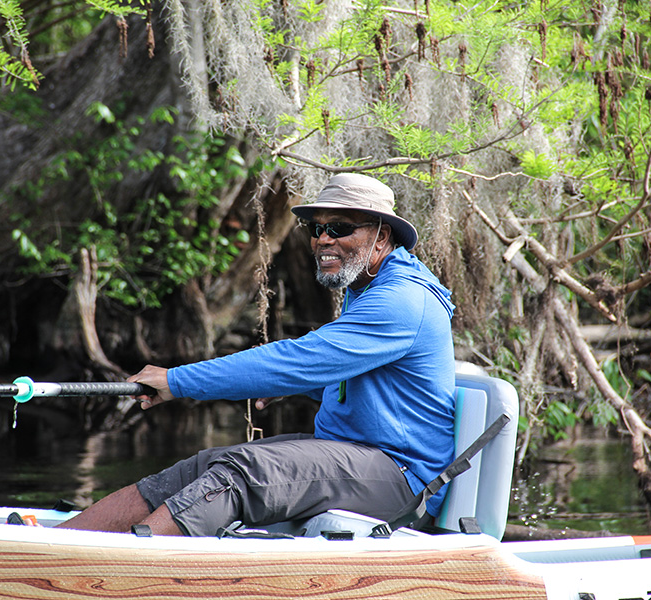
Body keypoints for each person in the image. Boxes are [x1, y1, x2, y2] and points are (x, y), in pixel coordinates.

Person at [55, 173, 457, 536]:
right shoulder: (367, 287)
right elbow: (366, 381)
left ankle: (121, 566)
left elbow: (299, 359)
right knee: (202, 467)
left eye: (340, 228)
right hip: (358, 456)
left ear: (382, 237)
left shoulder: (403, 299)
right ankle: (60, 543)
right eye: (316, 228)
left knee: (242, 474)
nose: (323, 239)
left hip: (401, 477)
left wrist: (178, 381)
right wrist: (310, 388)